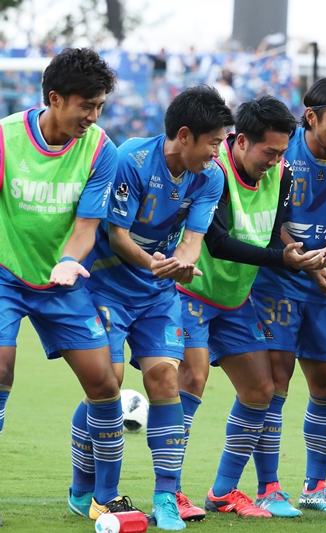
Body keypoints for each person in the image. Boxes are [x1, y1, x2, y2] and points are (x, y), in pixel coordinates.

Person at [69, 85, 234, 531]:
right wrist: (156, 264)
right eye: (214, 142)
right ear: (185, 135)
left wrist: (183, 265)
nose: (218, 153)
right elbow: (118, 235)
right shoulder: (132, 160)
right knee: (107, 381)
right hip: (106, 284)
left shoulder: (211, 177)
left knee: (165, 379)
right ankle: (86, 491)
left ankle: (165, 496)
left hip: (157, 292)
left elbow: (193, 240)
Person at [0, 47, 144, 527]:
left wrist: (66, 261)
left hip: (63, 279)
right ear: (55, 98)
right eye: (86, 105)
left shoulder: (101, 149)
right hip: (4, 274)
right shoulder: (5, 139)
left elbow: (86, 226)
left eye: (100, 105)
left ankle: (102, 498)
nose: (94, 116)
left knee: (105, 382)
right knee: (0, 370)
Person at [173, 95, 326, 519]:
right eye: (270, 152)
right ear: (241, 141)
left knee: (260, 390)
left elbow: (274, 231)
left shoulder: (282, 172)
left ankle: (223, 491)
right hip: (192, 291)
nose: (277, 161)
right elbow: (217, 242)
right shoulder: (214, 171)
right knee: (193, 377)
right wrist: (284, 260)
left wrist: (306, 259)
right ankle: (169, 491)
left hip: (235, 298)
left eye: (282, 152)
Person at [249, 77, 326, 516]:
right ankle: (268, 487)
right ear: (312, 117)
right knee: (274, 384)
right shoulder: (280, 152)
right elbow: (268, 220)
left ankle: (315, 486)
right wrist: (307, 264)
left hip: (321, 284)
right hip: (276, 280)